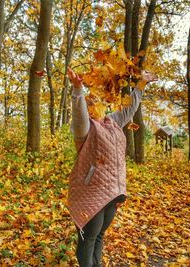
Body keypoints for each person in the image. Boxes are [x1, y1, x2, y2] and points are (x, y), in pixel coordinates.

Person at [67, 68, 156, 267]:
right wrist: (78, 89)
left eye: (98, 101)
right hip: (90, 192)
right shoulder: (85, 128)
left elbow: (129, 109)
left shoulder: (112, 122)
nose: (96, 104)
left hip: (111, 192)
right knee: (89, 238)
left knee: (99, 236)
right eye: (91, 103)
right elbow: (79, 113)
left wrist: (141, 84)